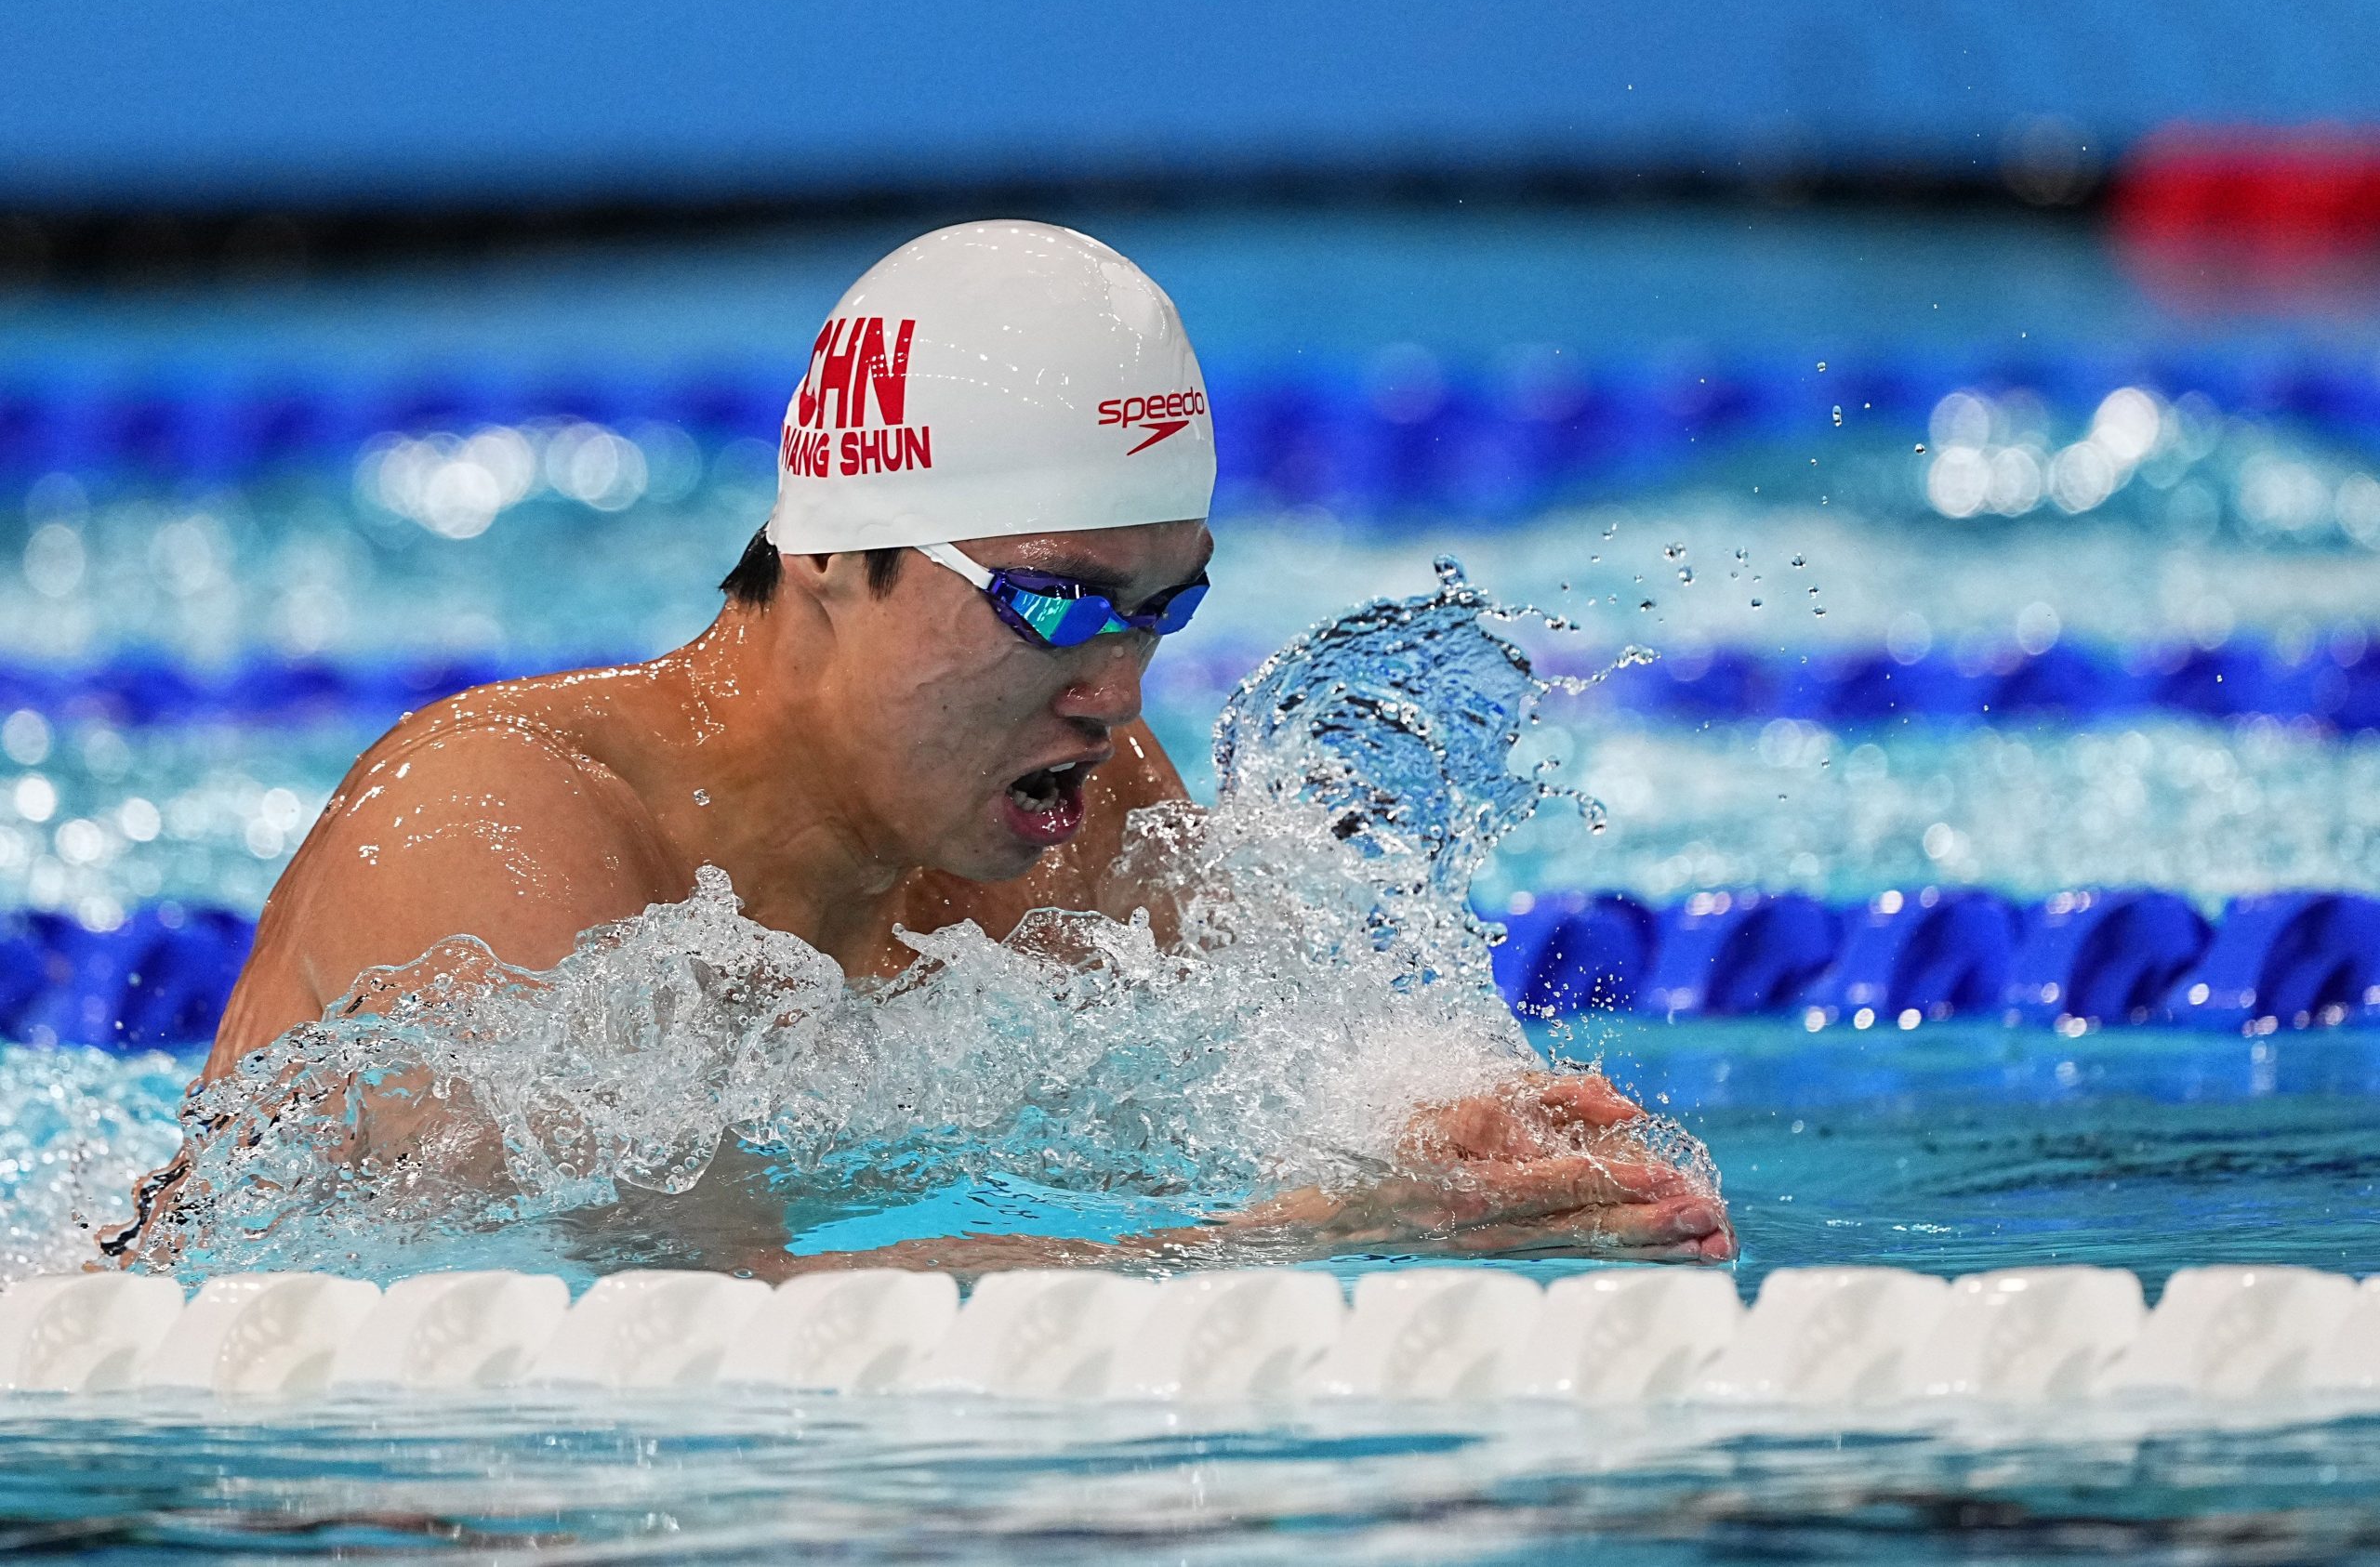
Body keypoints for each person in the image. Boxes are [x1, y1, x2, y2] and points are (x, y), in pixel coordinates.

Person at [126, 221, 1734, 1271]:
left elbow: (1275, 1084)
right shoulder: (504, 832)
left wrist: (1429, 1128)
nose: (1116, 688)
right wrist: (1332, 1226)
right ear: (834, 555)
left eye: (1166, 606)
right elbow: (707, 1337)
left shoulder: (1080, 816)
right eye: (1054, 605)